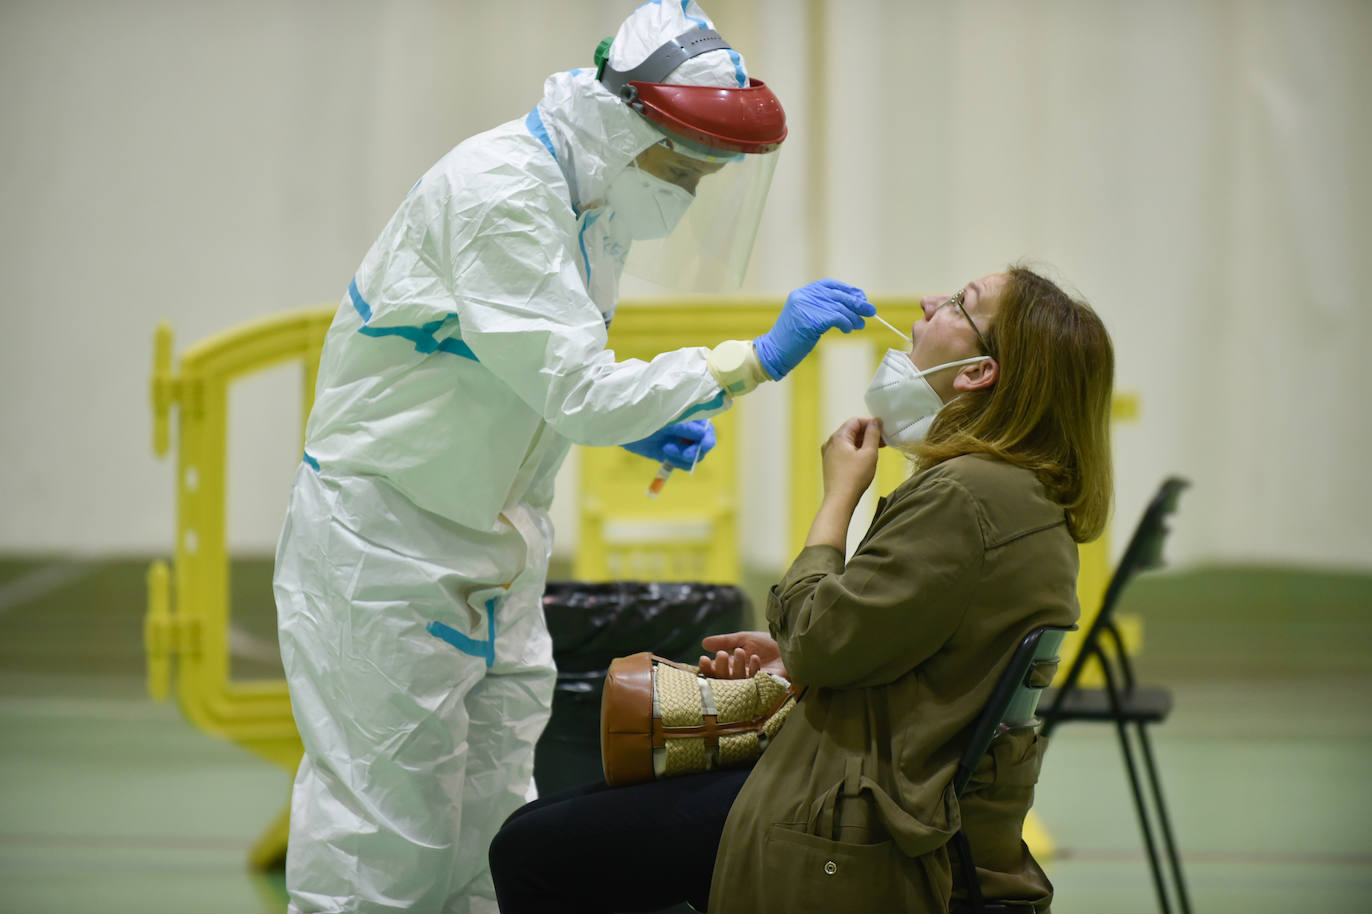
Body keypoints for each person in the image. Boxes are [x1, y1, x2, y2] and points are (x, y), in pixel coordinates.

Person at [270, 3, 874, 912]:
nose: (691, 190)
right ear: (623, 119)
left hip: (492, 548)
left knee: (489, 838)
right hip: (389, 553)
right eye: (686, 166)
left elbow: (516, 361)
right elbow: (577, 387)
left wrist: (630, 421)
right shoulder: (504, 195)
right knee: (380, 842)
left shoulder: (589, 203)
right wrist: (752, 359)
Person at [488, 265, 1115, 913]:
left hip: (855, 816)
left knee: (530, 850)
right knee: (564, 825)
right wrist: (790, 657)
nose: (929, 300)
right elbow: (903, 646)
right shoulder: (1021, 495)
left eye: (960, 303)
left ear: (978, 373)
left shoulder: (966, 494)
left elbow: (818, 640)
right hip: (898, 798)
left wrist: (839, 497)